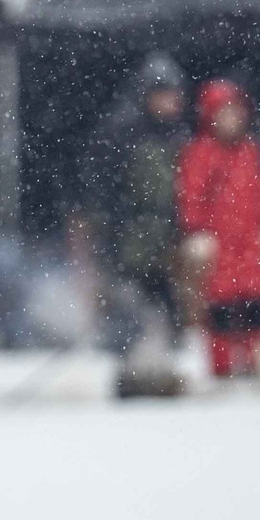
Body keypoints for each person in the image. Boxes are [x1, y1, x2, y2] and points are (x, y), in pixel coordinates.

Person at [83, 53, 190, 390]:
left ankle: (157, 373)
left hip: (162, 242)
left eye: (174, 95)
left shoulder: (177, 136)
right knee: (134, 312)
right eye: (163, 94)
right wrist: (112, 238)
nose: (171, 102)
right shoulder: (122, 133)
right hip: (128, 241)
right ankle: (134, 377)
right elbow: (103, 192)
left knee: (163, 312)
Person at [179, 80, 260, 381]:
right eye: (224, 114)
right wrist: (195, 231)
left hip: (249, 241)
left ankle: (255, 363)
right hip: (218, 243)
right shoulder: (199, 153)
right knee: (221, 309)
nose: (231, 120)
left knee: (256, 306)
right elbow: (191, 196)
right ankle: (222, 368)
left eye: (235, 113)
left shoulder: (251, 152)